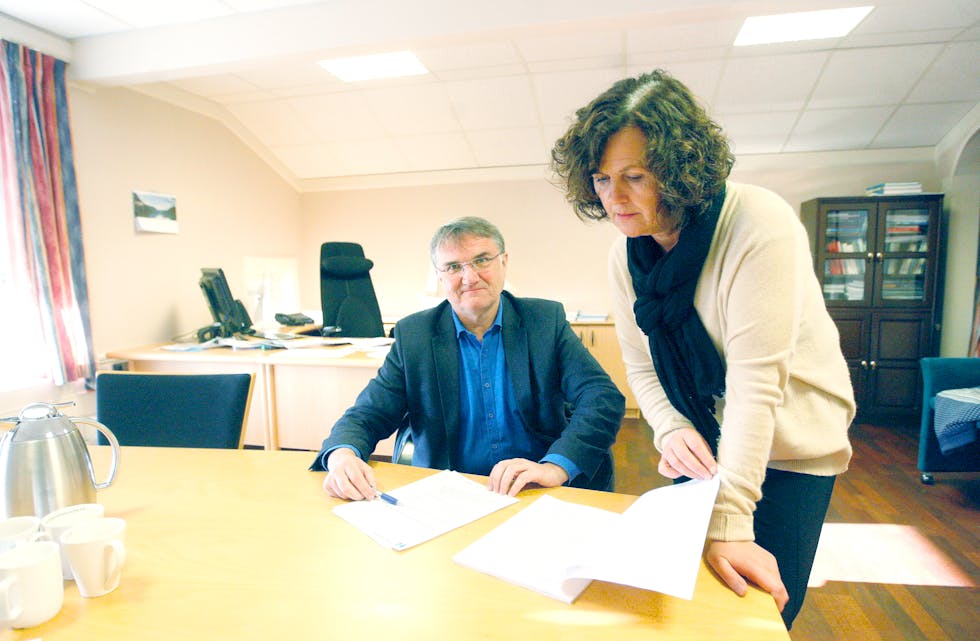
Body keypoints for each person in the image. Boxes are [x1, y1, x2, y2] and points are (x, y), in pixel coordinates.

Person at [550, 69, 854, 628]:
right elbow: (641, 368)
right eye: (599, 179)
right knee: (688, 606)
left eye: (634, 176)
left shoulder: (757, 223)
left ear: (680, 166)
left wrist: (730, 522)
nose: (613, 199)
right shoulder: (627, 255)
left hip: (790, 439)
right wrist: (670, 428)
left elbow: (754, 385)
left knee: (756, 611)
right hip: (705, 438)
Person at [312, 216, 625, 499]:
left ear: (504, 261)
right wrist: (342, 455)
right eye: (453, 267)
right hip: (451, 492)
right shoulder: (414, 335)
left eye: (482, 260)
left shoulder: (544, 321)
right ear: (439, 276)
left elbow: (602, 398)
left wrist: (555, 466)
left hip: (534, 489)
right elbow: (369, 413)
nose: (469, 276)